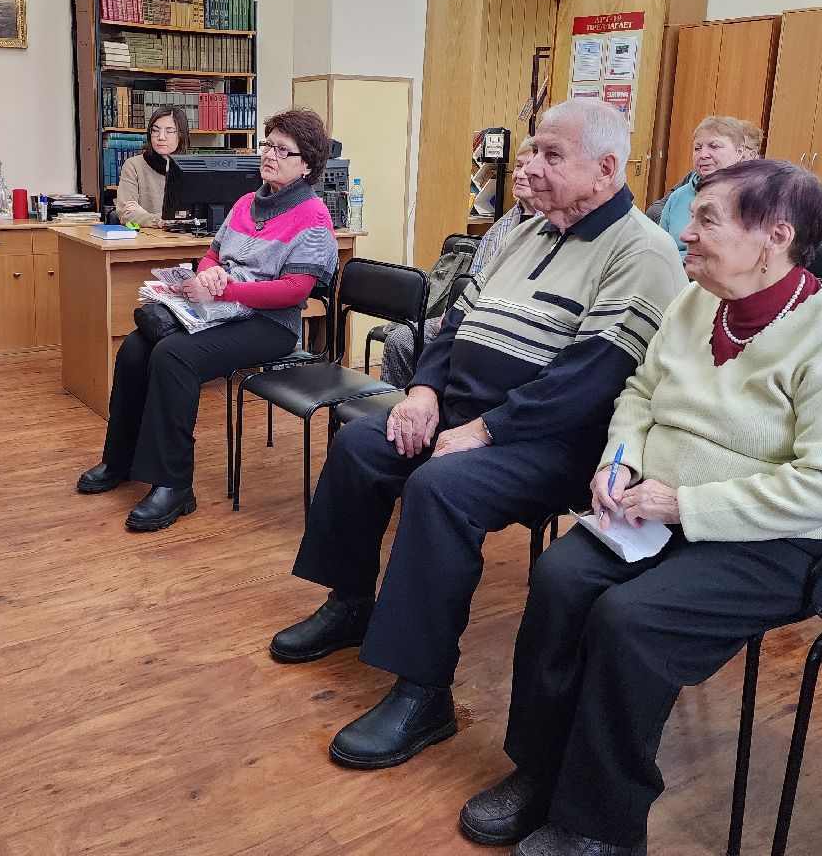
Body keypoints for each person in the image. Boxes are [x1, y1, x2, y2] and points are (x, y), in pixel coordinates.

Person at [458, 159, 822, 856]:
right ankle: (539, 771)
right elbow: (639, 392)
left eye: (708, 219)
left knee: (631, 620)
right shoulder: (695, 302)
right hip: (659, 504)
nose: (684, 231)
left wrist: (685, 505)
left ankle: (598, 822)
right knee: (561, 579)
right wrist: (619, 459)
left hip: (787, 536)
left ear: (776, 236)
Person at [268, 99, 687, 770]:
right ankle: (349, 604)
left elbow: (590, 379)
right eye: (533, 149)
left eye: (552, 155)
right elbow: (452, 325)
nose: (531, 165)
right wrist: (424, 393)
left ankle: (423, 692)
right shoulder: (525, 231)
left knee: (440, 487)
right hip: (465, 412)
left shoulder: (644, 252)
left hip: (552, 441)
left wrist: (487, 431)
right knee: (361, 447)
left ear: (606, 168)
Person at [77, 108, 339, 532]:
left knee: (174, 356)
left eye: (282, 150)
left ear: (306, 164)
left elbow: (294, 291)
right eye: (268, 145)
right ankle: (120, 460)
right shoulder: (246, 203)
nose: (269, 154)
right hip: (224, 309)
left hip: (271, 324)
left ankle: (174, 485)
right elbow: (213, 254)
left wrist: (224, 289)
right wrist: (208, 273)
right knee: (135, 347)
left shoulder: (313, 216)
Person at [379, 138, 537, 387]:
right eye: (518, 166)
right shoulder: (501, 226)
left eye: (529, 167)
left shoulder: (550, 228)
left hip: (500, 324)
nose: (520, 174)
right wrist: (453, 312)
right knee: (401, 340)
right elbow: (471, 281)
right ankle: (406, 404)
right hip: (467, 313)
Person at [656, 116, 762, 255]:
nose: (703, 155)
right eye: (697, 148)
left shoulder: (755, 198)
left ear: (739, 152)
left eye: (714, 146)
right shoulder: (678, 196)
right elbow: (660, 250)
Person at [115, 105, 188, 228]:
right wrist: (159, 220)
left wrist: (145, 214)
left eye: (169, 131)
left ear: (181, 135)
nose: (161, 137)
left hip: (184, 238)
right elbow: (126, 214)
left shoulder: (192, 169)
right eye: (155, 130)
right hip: (145, 238)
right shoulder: (134, 166)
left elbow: (197, 217)